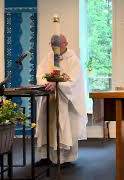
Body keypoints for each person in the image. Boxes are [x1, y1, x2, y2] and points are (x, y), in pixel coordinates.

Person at [36, 34, 87, 165]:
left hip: (65, 100)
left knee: (64, 128)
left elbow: (74, 81)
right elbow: (40, 73)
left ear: (66, 43)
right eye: (52, 45)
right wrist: (47, 83)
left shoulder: (73, 60)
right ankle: (46, 156)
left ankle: (64, 159)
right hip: (49, 99)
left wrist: (57, 84)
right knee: (45, 125)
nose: (55, 48)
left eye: (58, 45)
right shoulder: (48, 57)